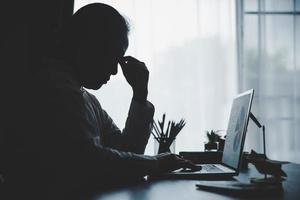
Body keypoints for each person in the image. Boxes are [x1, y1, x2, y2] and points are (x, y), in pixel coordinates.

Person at [22, 3, 197, 195]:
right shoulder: (55, 89)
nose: (115, 71)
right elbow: (91, 162)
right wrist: (156, 162)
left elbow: (127, 150)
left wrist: (140, 95)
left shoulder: (86, 99)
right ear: (87, 45)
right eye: (113, 56)